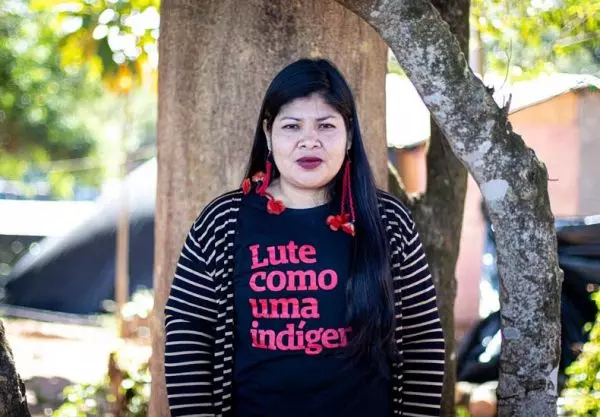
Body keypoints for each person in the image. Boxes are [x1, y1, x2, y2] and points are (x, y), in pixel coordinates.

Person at [164, 58, 445, 417]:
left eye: (326, 126)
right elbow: (187, 333)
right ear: (268, 134)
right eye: (291, 126)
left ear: (349, 136)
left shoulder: (388, 221)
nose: (309, 141)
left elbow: (423, 339)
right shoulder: (222, 223)